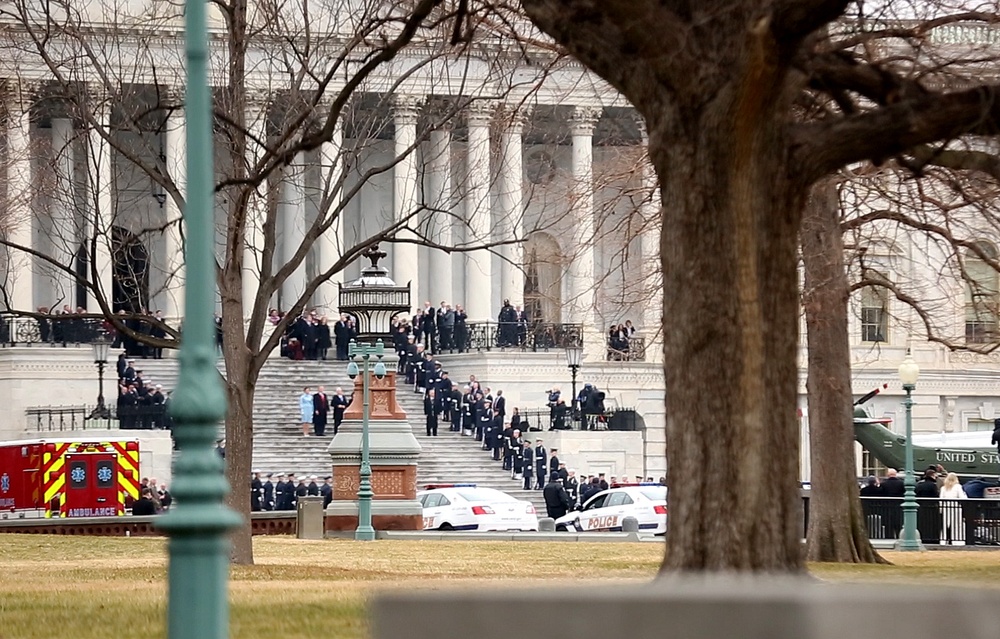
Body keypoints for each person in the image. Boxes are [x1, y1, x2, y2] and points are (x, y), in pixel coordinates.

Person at [939, 472, 966, 545]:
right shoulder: (958, 486)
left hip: (945, 507)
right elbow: (962, 498)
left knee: (945, 525)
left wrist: (941, 509)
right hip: (955, 507)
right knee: (956, 525)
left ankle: (943, 540)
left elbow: (941, 499)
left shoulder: (943, 488)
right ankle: (957, 541)